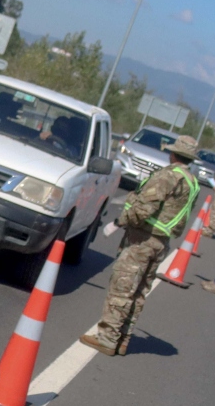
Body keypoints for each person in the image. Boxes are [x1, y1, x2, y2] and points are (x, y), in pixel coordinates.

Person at [81, 136, 199, 357]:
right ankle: (123, 338)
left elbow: (144, 209)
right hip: (161, 242)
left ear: (173, 154)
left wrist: (119, 222)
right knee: (139, 292)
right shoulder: (192, 182)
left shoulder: (168, 176)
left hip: (142, 239)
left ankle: (107, 338)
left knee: (122, 288)